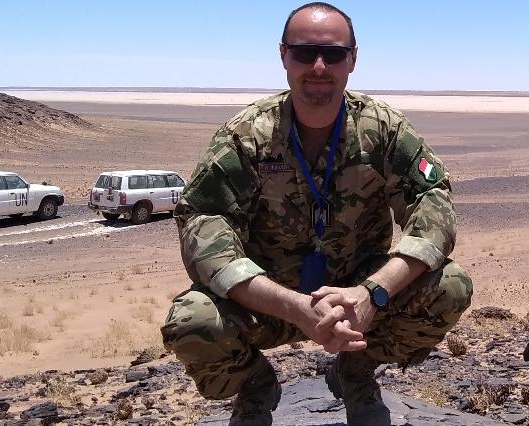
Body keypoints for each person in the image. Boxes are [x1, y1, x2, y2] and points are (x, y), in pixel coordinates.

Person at [160, 2, 473, 425]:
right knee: (192, 319)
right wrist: (295, 307)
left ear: (353, 59)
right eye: (305, 53)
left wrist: (374, 293)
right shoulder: (247, 136)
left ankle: (356, 371)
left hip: (358, 300)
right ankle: (254, 387)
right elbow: (203, 226)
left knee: (449, 285)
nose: (319, 67)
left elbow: (433, 204)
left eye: (334, 54)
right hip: (268, 300)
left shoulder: (383, 129)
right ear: (284, 55)